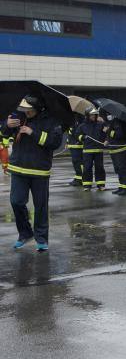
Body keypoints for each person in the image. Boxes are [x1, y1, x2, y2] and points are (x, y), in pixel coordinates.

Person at [2, 95, 63, 251]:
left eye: (28, 110)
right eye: (24, 109)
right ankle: (25, 233)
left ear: (38, 108)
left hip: (39, 171)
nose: (25, 112)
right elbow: (4, 135)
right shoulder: (18, 117)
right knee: (16, 202)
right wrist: (7, 125)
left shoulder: (51, 121)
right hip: (18, 169)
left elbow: (54, 143)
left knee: (40, 206)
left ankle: (41, 238)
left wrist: (32, 132)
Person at [78, 107, 106, 191]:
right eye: (92, 115)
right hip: (87, 150)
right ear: (87, 115)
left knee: (99, 167)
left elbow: (104, 135)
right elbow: (77, 135)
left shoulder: (100, 124)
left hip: (98, 150)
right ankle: (87, 185)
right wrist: (83, 137)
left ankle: (101, 184)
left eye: (95, 115)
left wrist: (105, 134)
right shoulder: (82, 126)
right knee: (87, 168)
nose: (93, 116)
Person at [106, 113, 126, 196]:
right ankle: (121, 187)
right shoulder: (112, 122)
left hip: (120, 149)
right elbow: (110, 136)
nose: (108, 115)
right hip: (114, 149)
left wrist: (109, 131)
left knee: (123, 169)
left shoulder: (117, 122)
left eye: (109, 114)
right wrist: (107, 140)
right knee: (118, 169)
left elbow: (119, 134)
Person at [65, 115, 84, 186]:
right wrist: (67, 141)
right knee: (75, 162)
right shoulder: (72, 119)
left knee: (78, 162)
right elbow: (70, 132)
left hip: (77, 145)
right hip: (72, 144)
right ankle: (78, 178)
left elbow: (77, 132)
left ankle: (81, 178)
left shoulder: (79, 118)